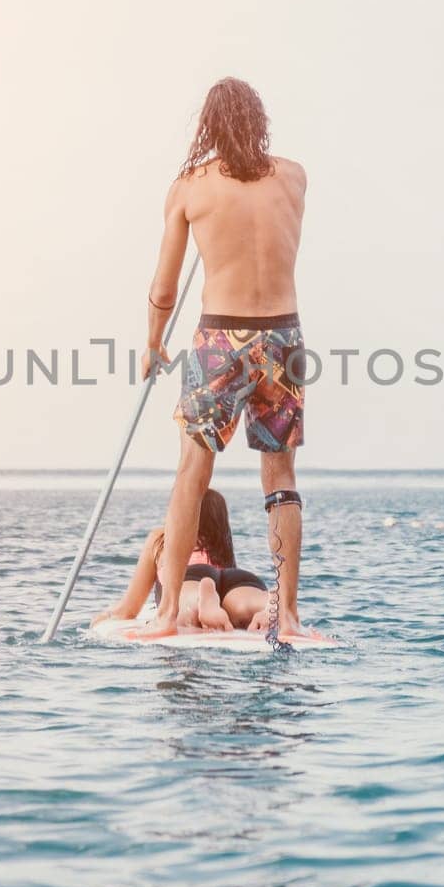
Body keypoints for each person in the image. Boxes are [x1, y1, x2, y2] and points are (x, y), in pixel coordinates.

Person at [133, 78, 313, 642]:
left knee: (192, 472)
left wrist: (154, 339)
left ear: (207, 126)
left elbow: (164, 286)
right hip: (283, 338)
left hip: (221, 339)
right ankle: (285, 616)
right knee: (279, 475)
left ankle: (166, 617)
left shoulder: (190, 188)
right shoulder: (293, 177)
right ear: (259, 122)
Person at [92, 489, 272, 631]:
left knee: (186, 608)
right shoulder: (221, 542)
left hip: (190, 577)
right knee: (240, 606)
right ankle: (268, 603)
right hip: (237, 579)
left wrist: (107, 616)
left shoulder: (161, 538)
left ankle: (202, 601)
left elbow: (129, 608)